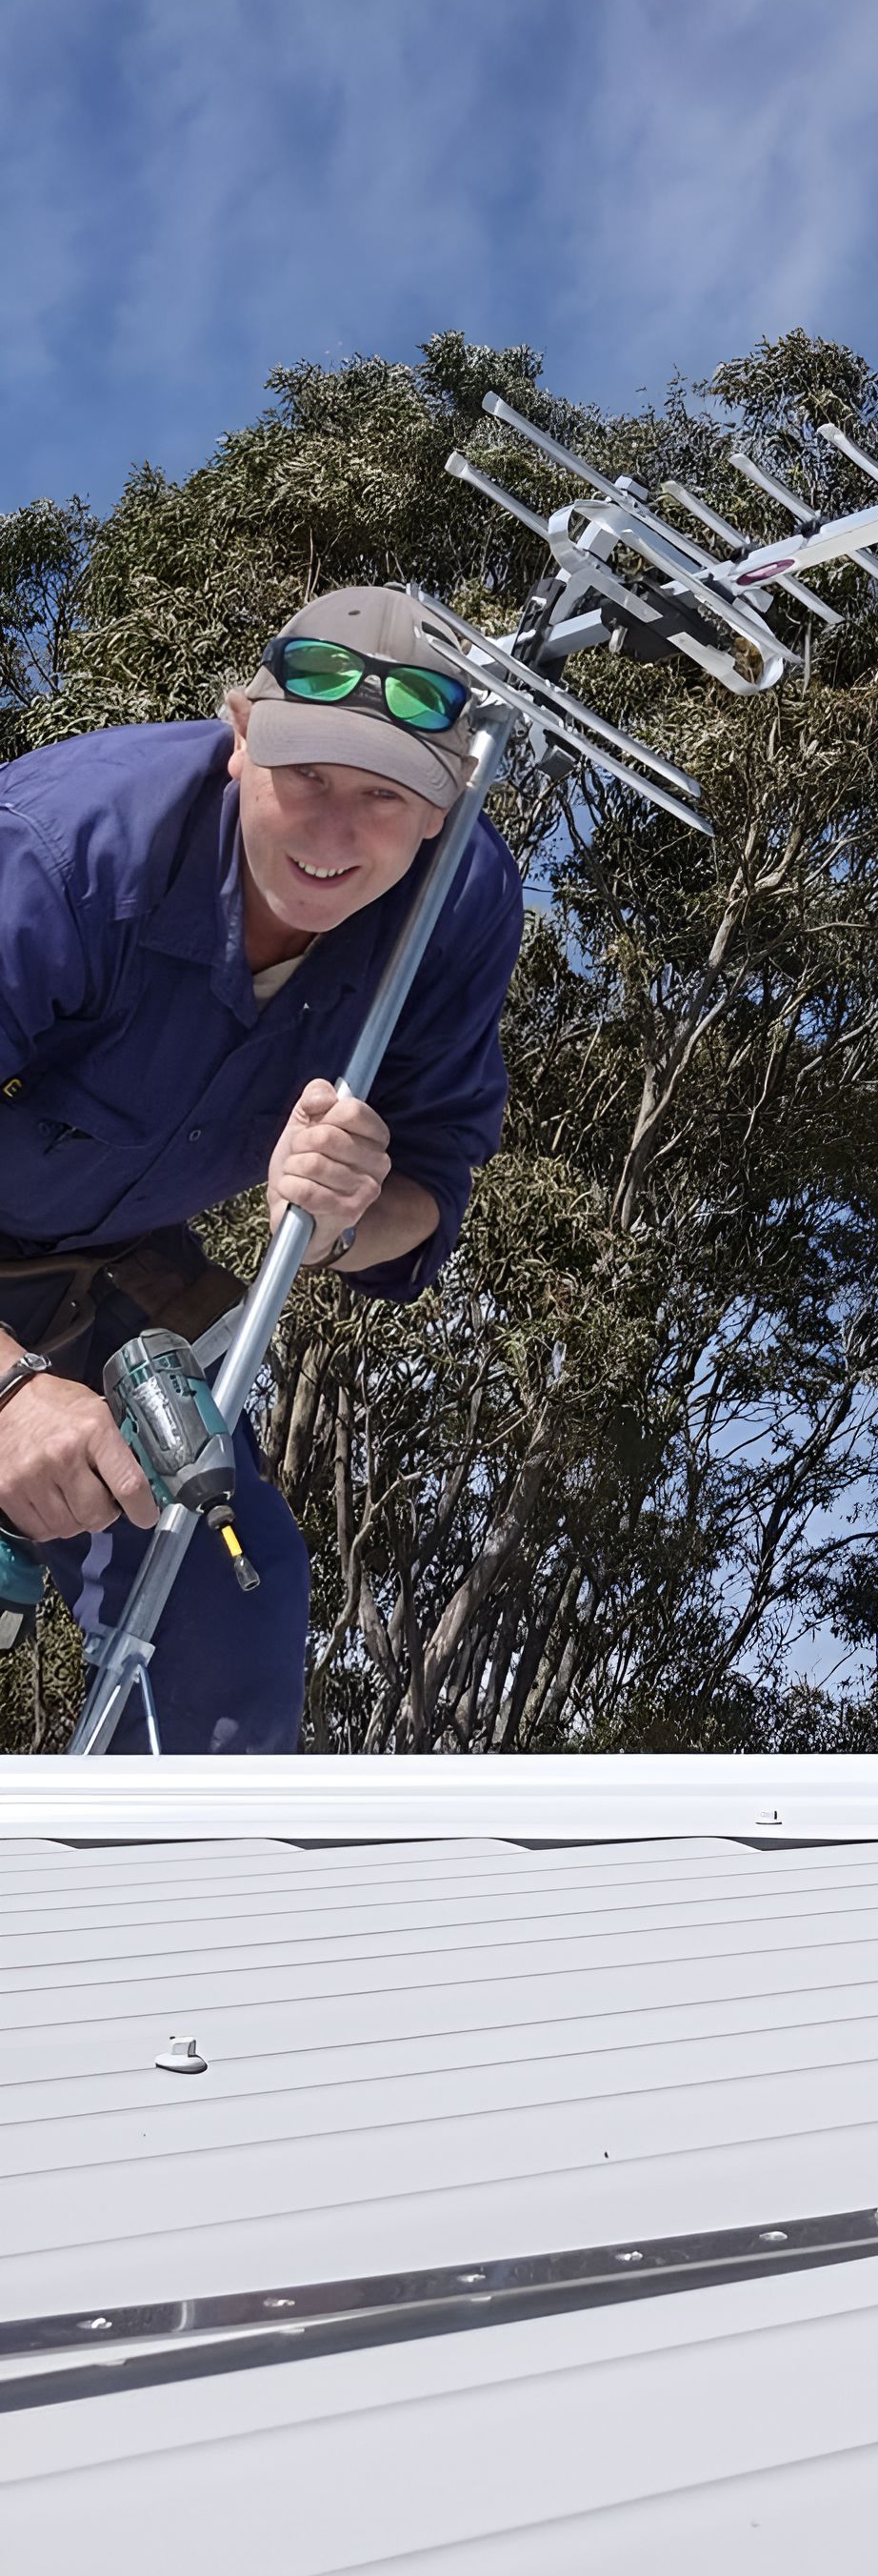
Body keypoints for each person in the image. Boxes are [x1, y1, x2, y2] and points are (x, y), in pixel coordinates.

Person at [0, 588, 524, 1750]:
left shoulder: (459, 908)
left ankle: (192, 1918)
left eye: (384, 794)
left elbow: (432, 1179)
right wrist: (10, 1390)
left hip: (105, 1273)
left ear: (442, 810)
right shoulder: (59, 850)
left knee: (226, 1583)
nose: (334, 835)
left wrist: (346, 1217)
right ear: (241, 737)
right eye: (308, 776)